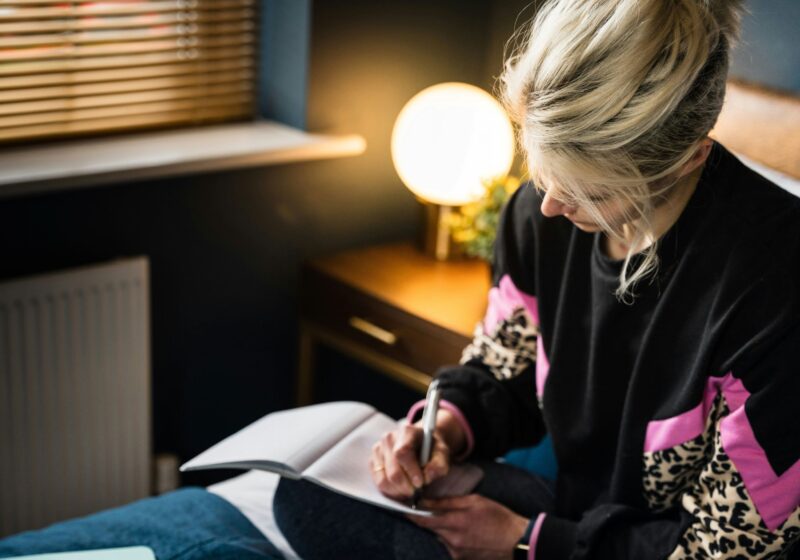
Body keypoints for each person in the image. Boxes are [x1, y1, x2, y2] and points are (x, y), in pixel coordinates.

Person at [274, 0, 800, 558]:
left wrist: (527, 542)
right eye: (543, 168)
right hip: (576, 515)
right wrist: (445, 429)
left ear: (689, 158)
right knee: (305, 495)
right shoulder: (538, 215)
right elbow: (504, 369)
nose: (549, 205)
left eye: (589, 189)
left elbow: (730, 549)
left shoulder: (775, 287)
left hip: (663, 546)